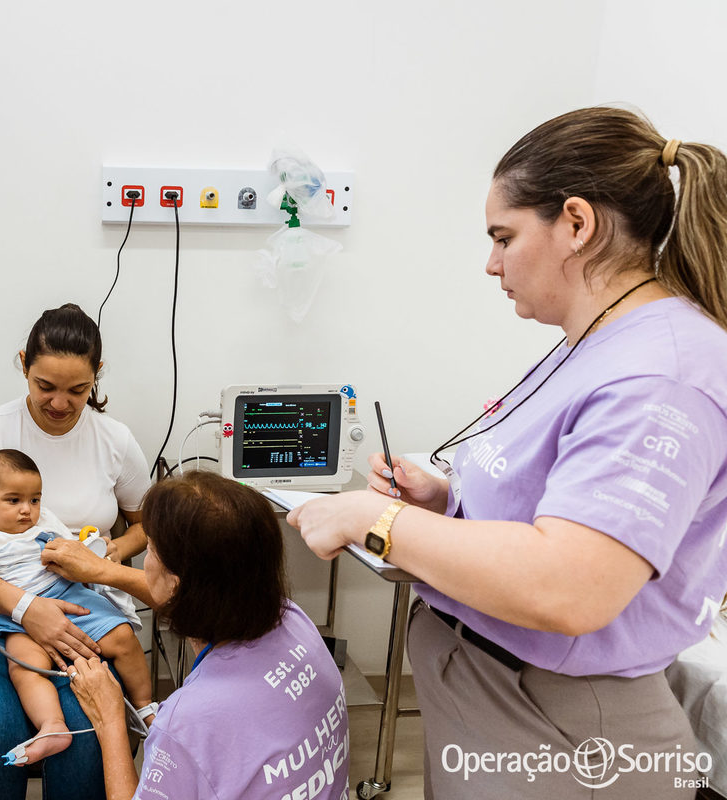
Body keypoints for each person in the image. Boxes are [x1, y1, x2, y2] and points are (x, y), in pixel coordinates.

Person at [288, 106, 727, 799]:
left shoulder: (662, 375)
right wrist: (446, 499)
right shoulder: (598, 340)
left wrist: (375, 520)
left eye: (504, 237)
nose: (491, 264)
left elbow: (572, 584)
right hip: (490, 692)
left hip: (562, 724)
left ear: (577, 224)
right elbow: (557, 504)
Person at [0, 302, 151, 799]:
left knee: (86, 730)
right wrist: (25, 607)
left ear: (97, 376)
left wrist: (106, 556)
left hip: (76, 606)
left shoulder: (114, 439)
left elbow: (146, 526)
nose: (59, 403)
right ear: (23, 365)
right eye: (44, 386)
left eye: (77, 390)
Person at [51, 471, 348, 800]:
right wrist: (102, 570)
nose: (146, 560)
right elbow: (194, 590)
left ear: (177, 582)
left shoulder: (186, 723)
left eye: (150, 549)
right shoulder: (292, 618)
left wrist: (109, 719)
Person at [0, 449, 153, 765]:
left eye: (34, 500)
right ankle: (53, 727)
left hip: (69, 595)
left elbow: (73, 552)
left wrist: (91, 549)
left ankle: (145, 707)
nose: (27, 510)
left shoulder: (44, 521)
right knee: (24, 669)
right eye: (14, 500)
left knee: (124, 638)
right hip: (15, 617)